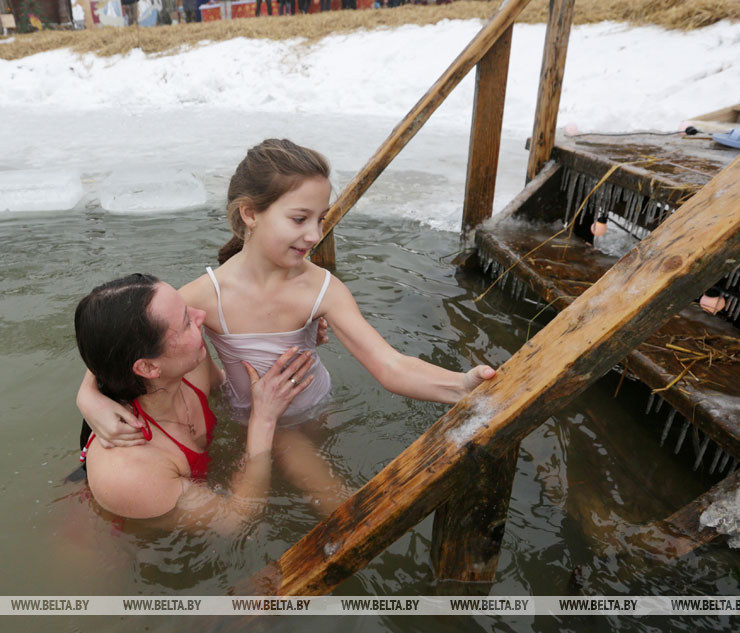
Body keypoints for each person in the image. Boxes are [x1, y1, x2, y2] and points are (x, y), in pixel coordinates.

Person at [79, 138, 494, 443]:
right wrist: (89, 398)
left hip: (313, 410)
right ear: (250, 213)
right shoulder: (211, 294)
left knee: (316, 484)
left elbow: (389, 366)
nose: (315, 234)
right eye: (299, 219)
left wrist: (461, 386)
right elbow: (128, 343)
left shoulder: (322, 289)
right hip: (244, 417)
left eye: (321, 218)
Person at [75, 274, 314, 530]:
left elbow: (225, 393)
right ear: (147, 367)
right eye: (187, 321)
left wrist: (302, 331)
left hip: (186, 481)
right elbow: (237, 523)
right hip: (117, 540)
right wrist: (263, 419)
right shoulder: (129, 469)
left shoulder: (188, 365)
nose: (200, 315)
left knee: (291, 439)